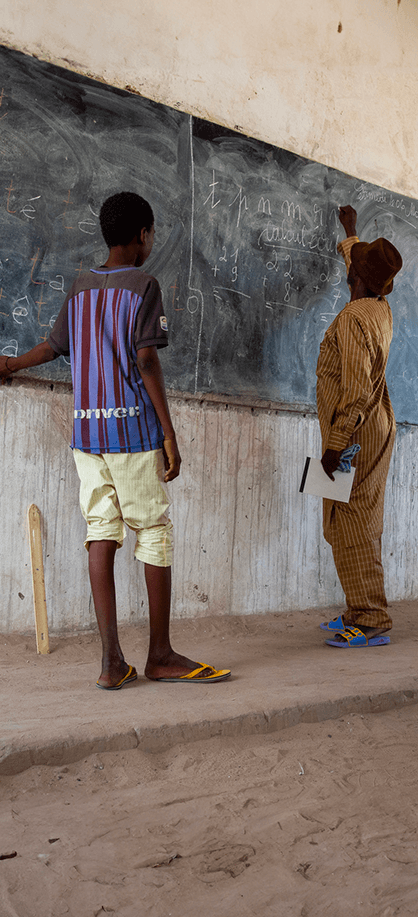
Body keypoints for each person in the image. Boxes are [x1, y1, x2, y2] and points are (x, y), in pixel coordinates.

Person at [0, 191, 231, 687]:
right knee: (153, 530)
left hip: (88, 435)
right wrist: (169, 433)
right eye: (152, 235)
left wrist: (11, 364)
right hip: (131, 430)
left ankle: (110, 662)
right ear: (142, 235)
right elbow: (147, 359)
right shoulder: (144, 285)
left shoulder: (81, 288)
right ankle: (161, 654)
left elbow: (53, 346)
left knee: (101, 532)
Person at [316, 204, 402, 648]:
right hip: (371, 426)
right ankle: (356, 607)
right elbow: (358, 263)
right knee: (337, 519)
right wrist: (350, 231)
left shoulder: (353, 319)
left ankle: (371, 619)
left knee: (353, 522)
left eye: (352, 273)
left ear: (362, 282)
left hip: (353, 434)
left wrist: (334, 446)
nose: (347, 276)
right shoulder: (379, 305)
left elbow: (352, 391)